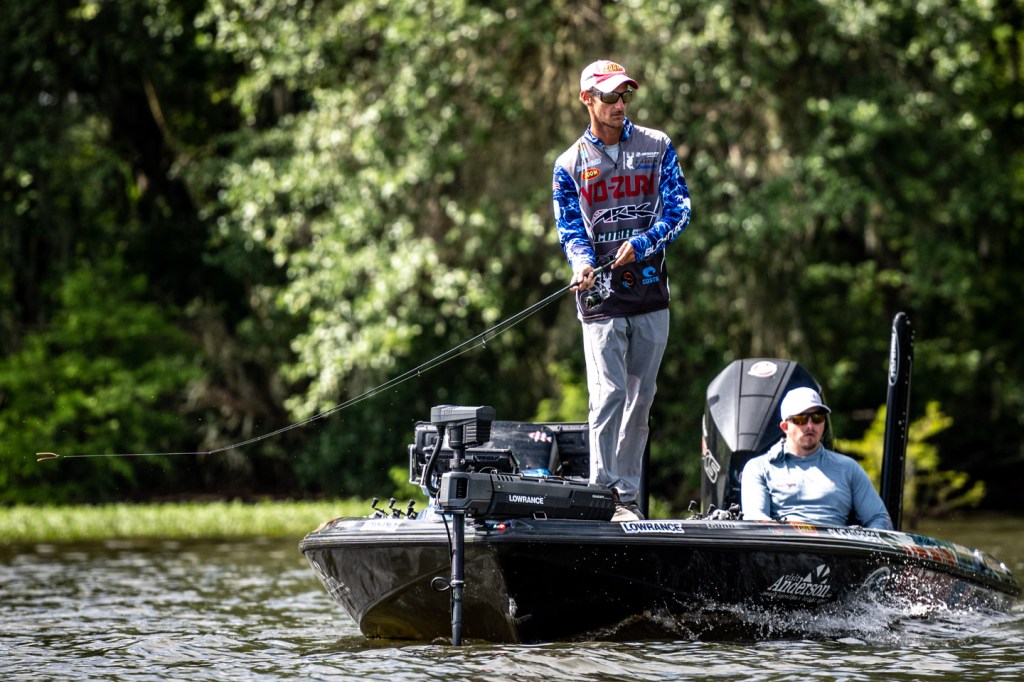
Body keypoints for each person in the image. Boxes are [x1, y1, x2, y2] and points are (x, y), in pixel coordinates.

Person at [552, 60, 692, 522]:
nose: (619, 104)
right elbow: (570, 230)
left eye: (624, 95)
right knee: (609, 394)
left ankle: (627, 498)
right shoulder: (569, 164)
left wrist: (645, 243)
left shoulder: (657, 146)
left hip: (650, 293)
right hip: (600, 299)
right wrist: (582, 264)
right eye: (609, 96)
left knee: (641, 399)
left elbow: (680, 210)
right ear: (587, 100)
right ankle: (602, 495)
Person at [740, 387, 894, 530]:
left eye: (817, 417)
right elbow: (756, 522)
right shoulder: (759, 468)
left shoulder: (849, 468)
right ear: (785, 427)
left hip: (837, 549)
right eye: (801, 419)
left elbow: (880, 519)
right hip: (783, 548)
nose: (810, 425)